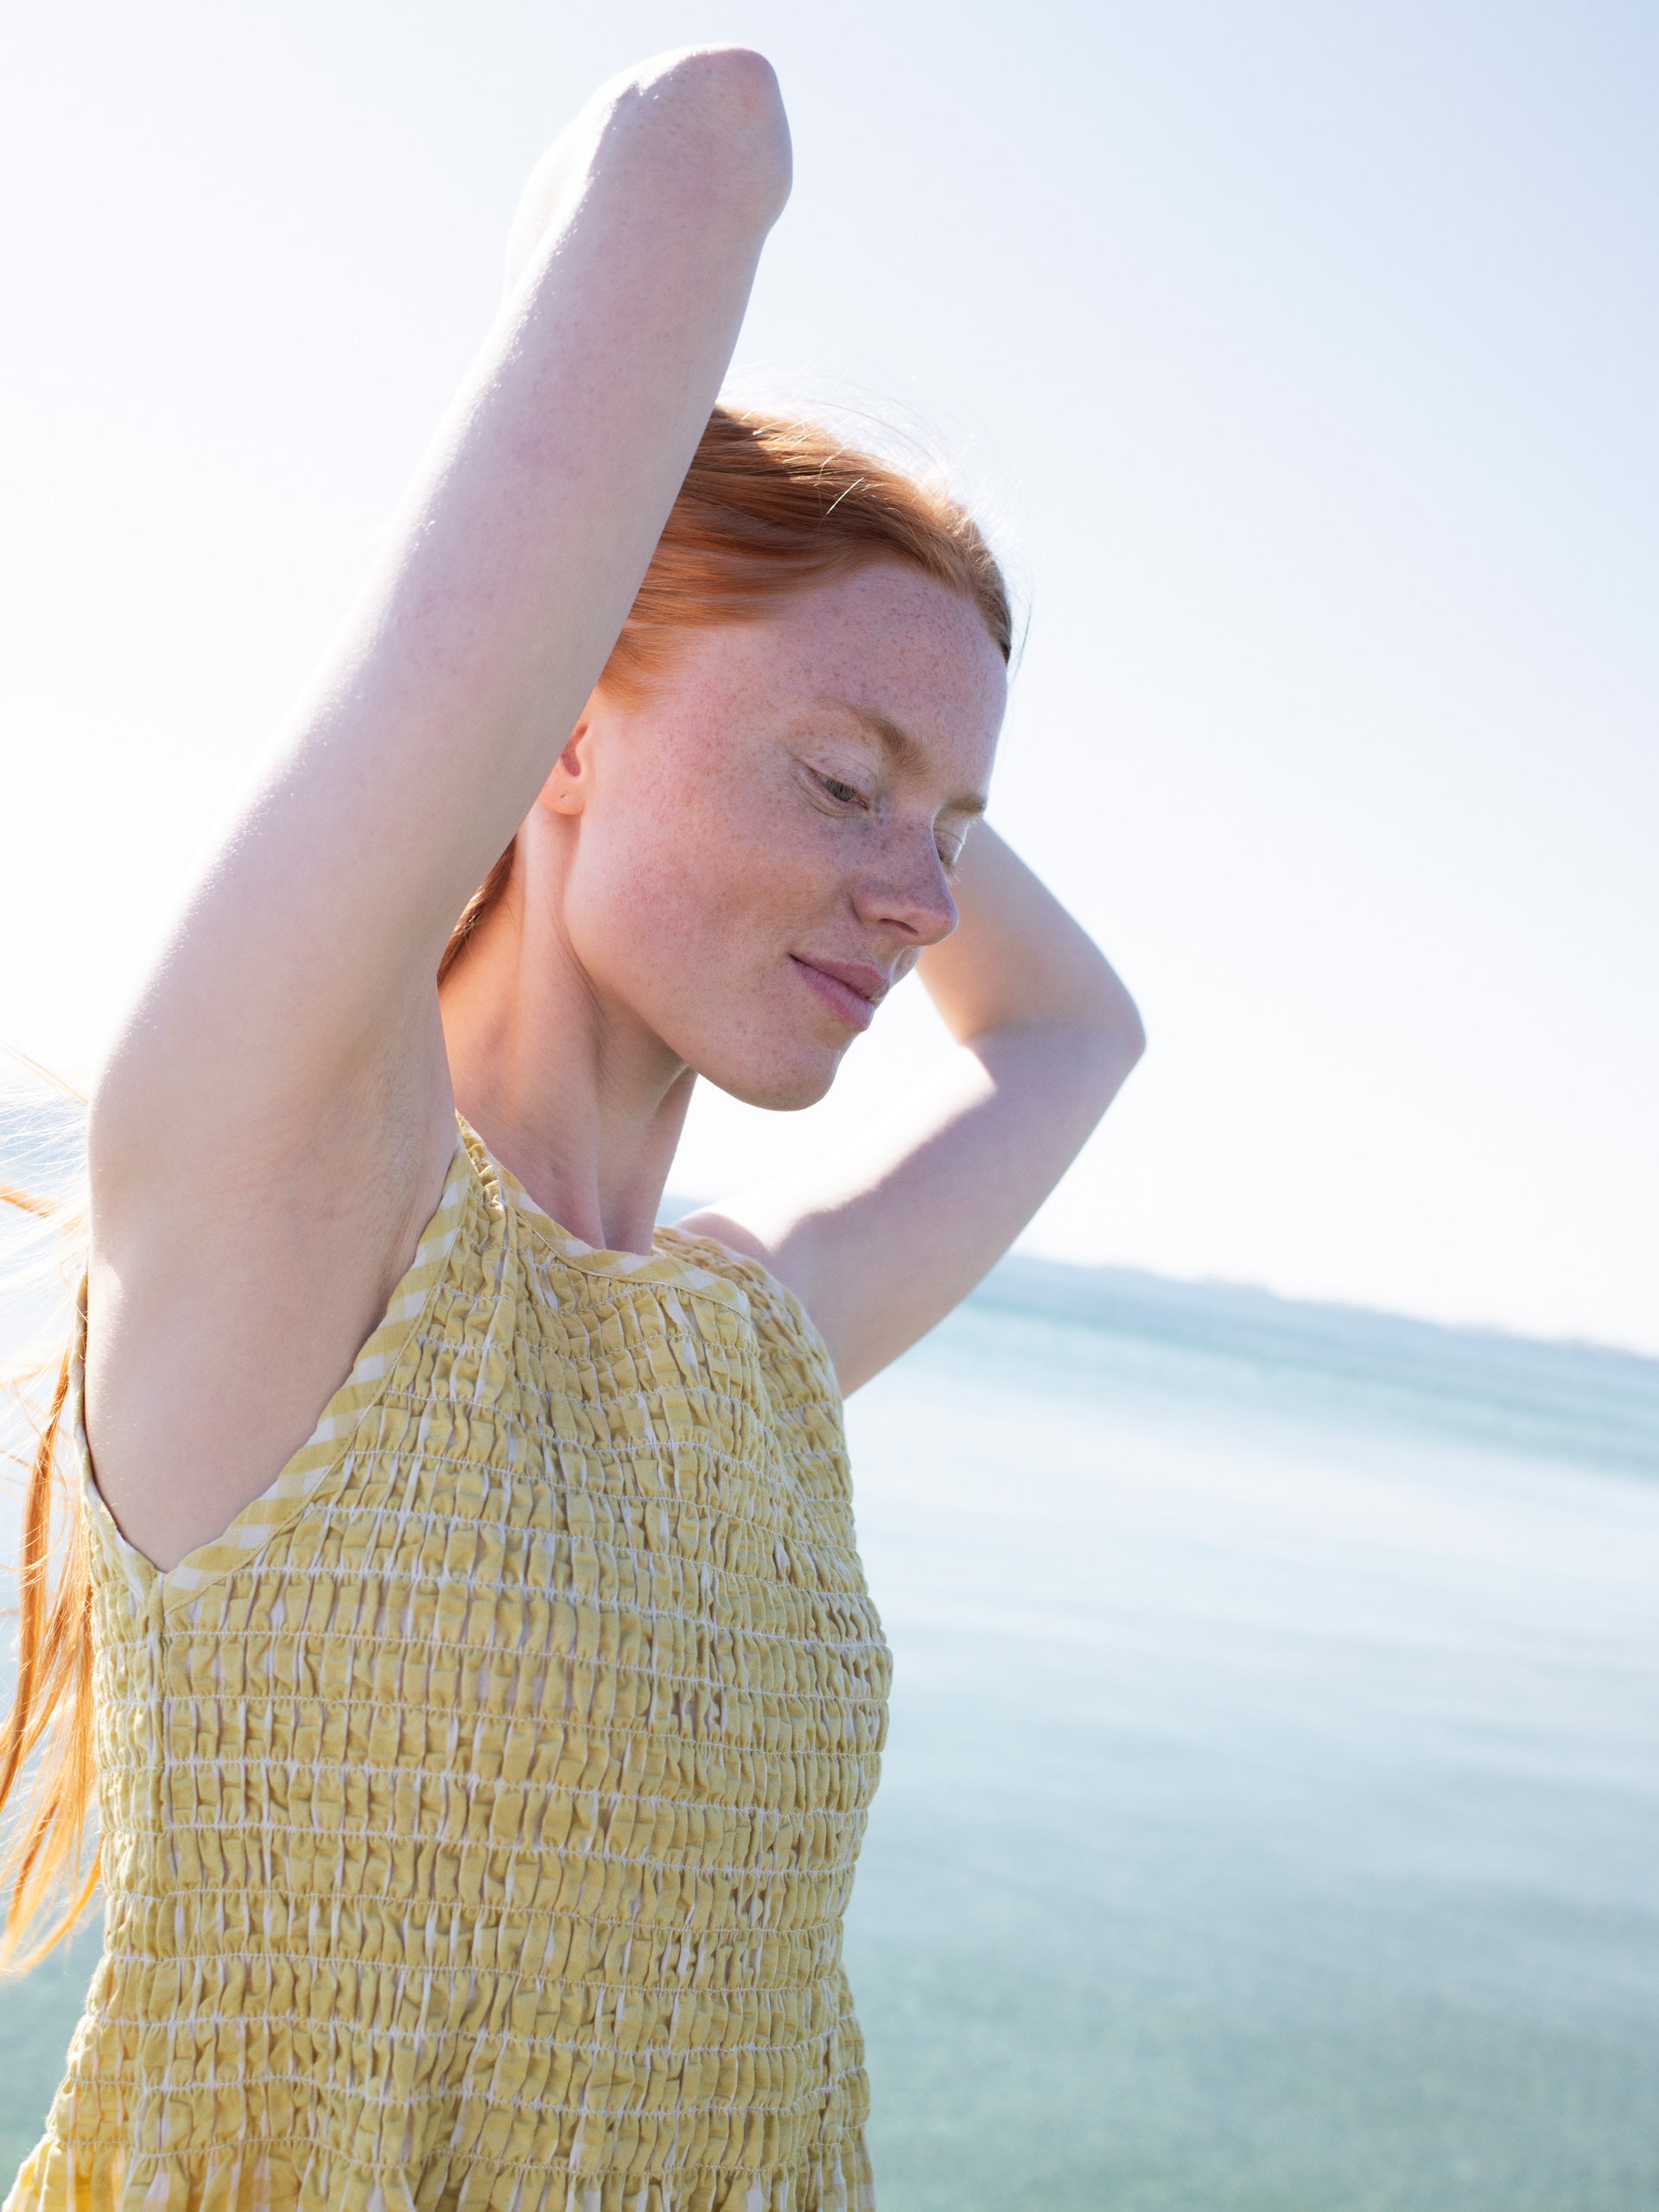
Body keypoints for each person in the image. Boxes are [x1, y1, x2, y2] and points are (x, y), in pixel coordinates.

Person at [0, 46, 1143, 2212]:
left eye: (959, 823)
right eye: (838, 781)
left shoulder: (753, 1338)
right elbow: (699, 144)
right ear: (559, 731)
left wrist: (887, 747)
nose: (921, 897)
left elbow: (1075, 1031)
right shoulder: (292, 1210)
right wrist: (578, 550)